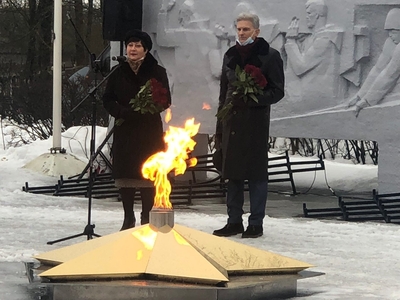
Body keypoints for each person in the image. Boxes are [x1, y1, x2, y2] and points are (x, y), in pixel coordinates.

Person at [213, 12, 285, 238]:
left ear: (257, 31)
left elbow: (277, 91)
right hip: (232, 121)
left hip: (254, 123)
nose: (242, 33)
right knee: (232, 173)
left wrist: (254, 98)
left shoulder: (269, 56)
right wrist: (220, 119)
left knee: (256, 175)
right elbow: (224, 91)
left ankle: (256, 222)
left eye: (246, 29)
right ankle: (234, 221)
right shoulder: (230, 55)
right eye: (239, 29)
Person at [103, 30, 171, 230]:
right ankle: (128, 216)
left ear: (146, 49)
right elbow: (107, 98)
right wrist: (121, 111)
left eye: (138, 45)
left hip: (148, 130)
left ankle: (146, 215)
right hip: (125, 128)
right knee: (126, 173)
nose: (133, 49)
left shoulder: (158, 72)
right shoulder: (118, 71)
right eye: (130, 45)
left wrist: (146, 110)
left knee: (147, 173)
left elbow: (166, 100)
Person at [347, 8, 400, 117]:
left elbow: (390, 74)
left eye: (394, 31)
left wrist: (368, 100)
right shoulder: (390, 43)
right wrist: (360, 95)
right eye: (388, 31)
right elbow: (378, 69)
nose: (390, 35)